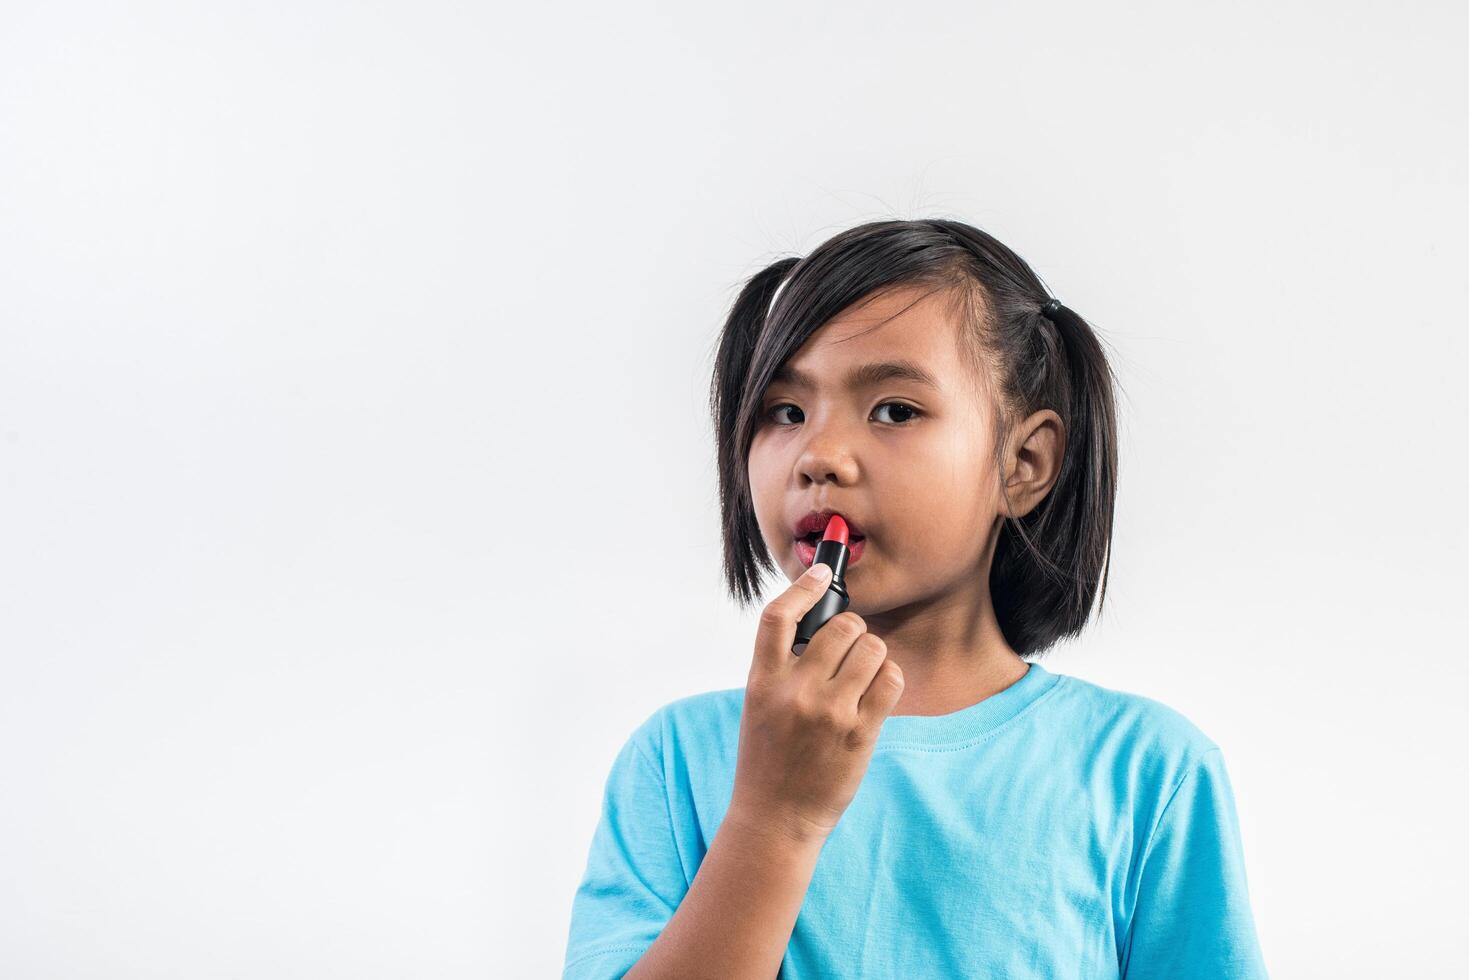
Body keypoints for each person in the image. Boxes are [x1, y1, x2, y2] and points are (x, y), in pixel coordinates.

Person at [561, 218, 1269, 979]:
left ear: (1022, 463)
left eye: (894, 410)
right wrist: (774, 817)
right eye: (784, 412)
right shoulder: (675, 763)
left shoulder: (1147, 771)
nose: (818, 456)